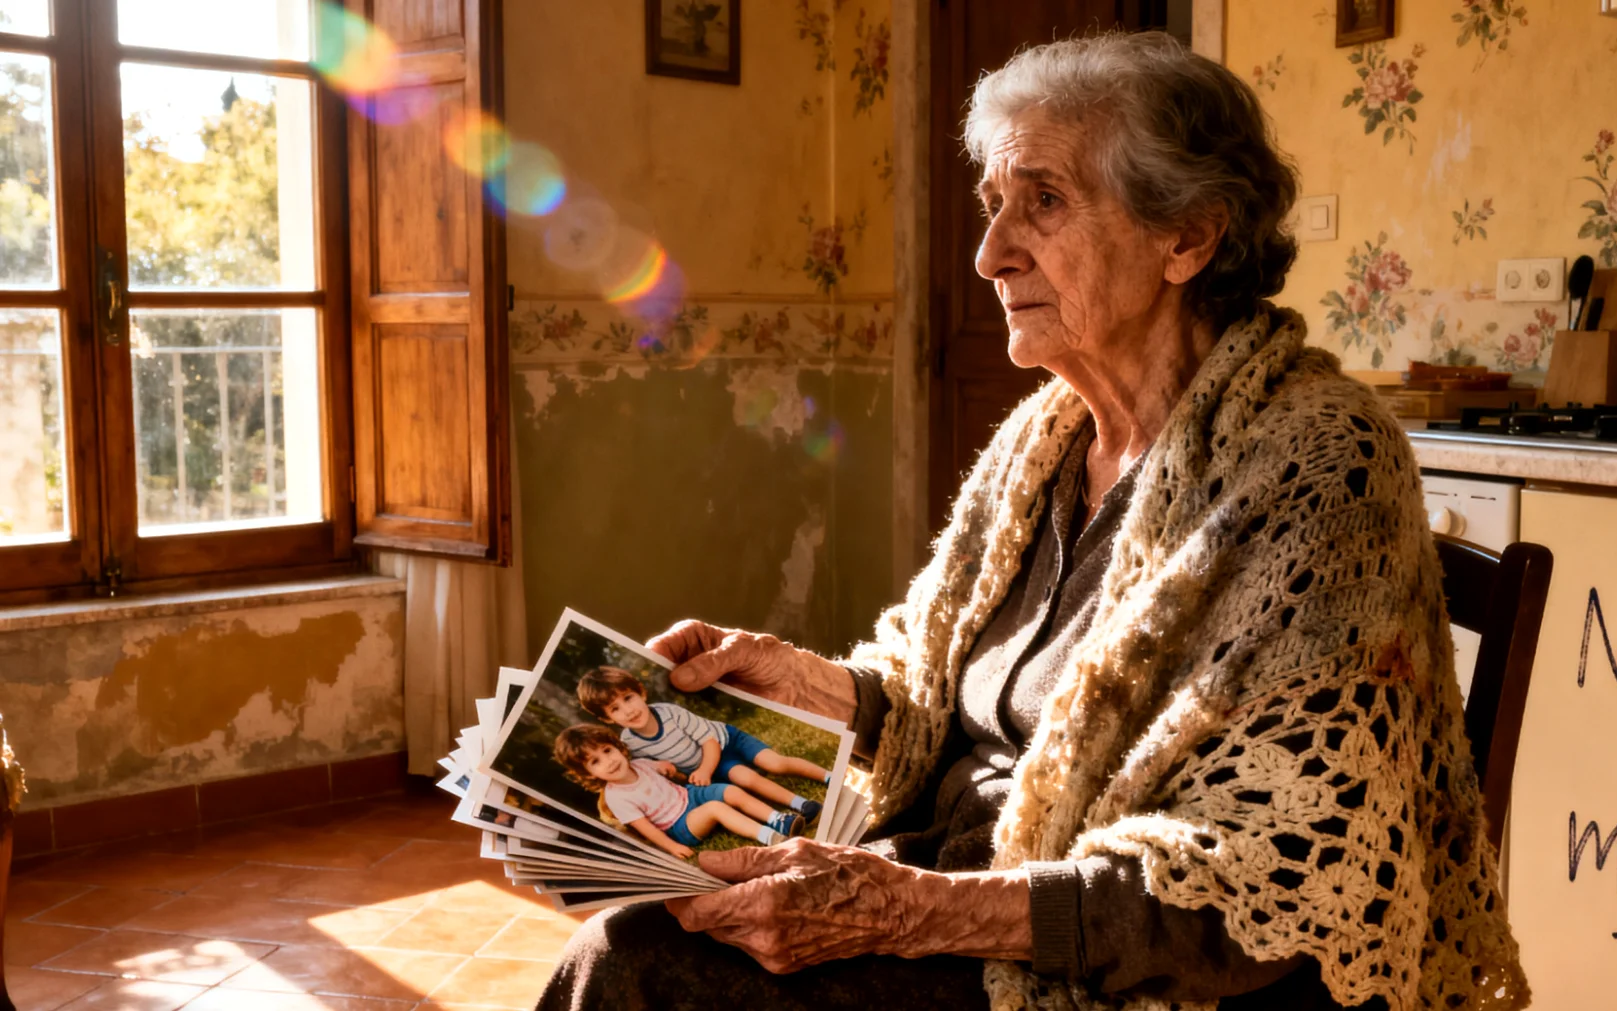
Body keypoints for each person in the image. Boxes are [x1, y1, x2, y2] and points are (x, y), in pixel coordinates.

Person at [535, 30, 1526, 1011]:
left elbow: (1270, 885)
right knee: (638, 926)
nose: (990, 254)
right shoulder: (1044, 441)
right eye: (992, 204)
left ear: (1188, 236)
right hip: (960, 877)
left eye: (1043, 202)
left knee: (634, 973)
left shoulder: (1315, 467)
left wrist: (909, 910)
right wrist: (802, 682)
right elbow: (941, 697)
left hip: (1121, 968)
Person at [577, 667, 827, 821]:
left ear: (641, 692)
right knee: (745, 779)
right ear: (607, 718)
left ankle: (827, 777)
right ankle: (802, 804)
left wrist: (705, 771)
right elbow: (665, 772)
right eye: (616, 709)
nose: (628, 711)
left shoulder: (669, 713)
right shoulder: (629, 744)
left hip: (724, 743)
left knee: (775, 763)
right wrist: (674, 772)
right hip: (708, 768)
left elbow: (710, 742)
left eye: (628, 698)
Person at [553, 724, 803, 861]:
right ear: (588, 774)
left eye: (607, 751)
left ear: (618, 747)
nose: (608, 762)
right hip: (679, 824)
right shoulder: (617, 797)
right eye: (595, 762)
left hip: (689, 796)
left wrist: (667, 768)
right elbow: (646, 828)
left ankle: (778, 819)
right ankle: (769, 837)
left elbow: (668, 772)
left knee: (729, 791)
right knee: (717, 808)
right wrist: (672, 847)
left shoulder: (640, 764)